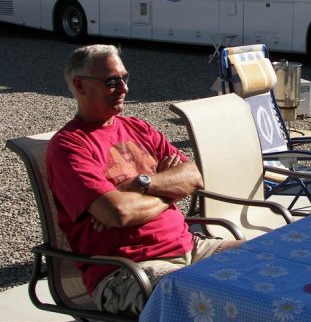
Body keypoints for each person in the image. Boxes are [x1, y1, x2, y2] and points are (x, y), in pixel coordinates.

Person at [47, 44, 242, 316]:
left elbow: (194, 177)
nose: (124, 88)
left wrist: (142, 182)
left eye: (124, 78)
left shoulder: (139, 128)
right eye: (112, 81)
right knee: (219, 297)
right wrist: (170, 190)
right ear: (80, 86)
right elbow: (119, 212)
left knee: (267, 260)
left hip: (192, 247)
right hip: (129, 271)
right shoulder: (69, 147)